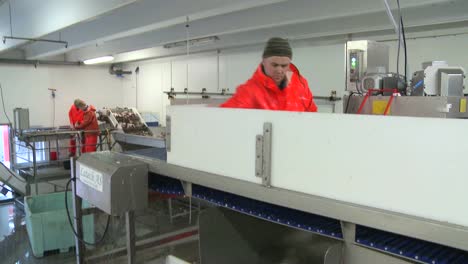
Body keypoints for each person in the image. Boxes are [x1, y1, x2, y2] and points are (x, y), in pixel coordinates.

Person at [221, 37, 317, 112]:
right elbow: (223, 116)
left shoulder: (301, 84)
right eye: (274, 65)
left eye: (284, 65)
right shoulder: (250, 91)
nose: (279, 70)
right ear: (263, 62)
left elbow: (312, 113)